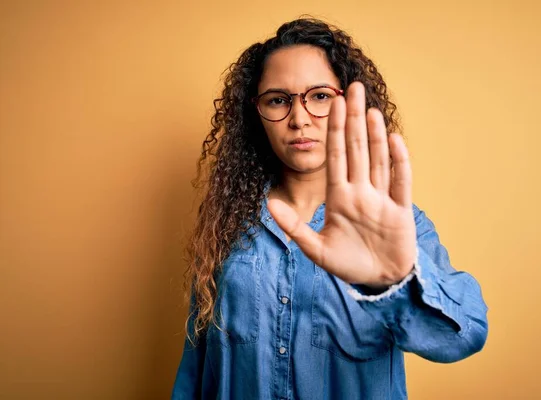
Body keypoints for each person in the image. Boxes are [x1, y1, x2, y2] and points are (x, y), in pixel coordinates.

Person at [171, 17, 488, 400]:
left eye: (319, 95)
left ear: (347, 103)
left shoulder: (395, 224)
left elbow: (464, 336)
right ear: (257, 114)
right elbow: (196, 368)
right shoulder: (227, 223)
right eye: (278, 100)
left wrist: (389, 284)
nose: (299, 119)